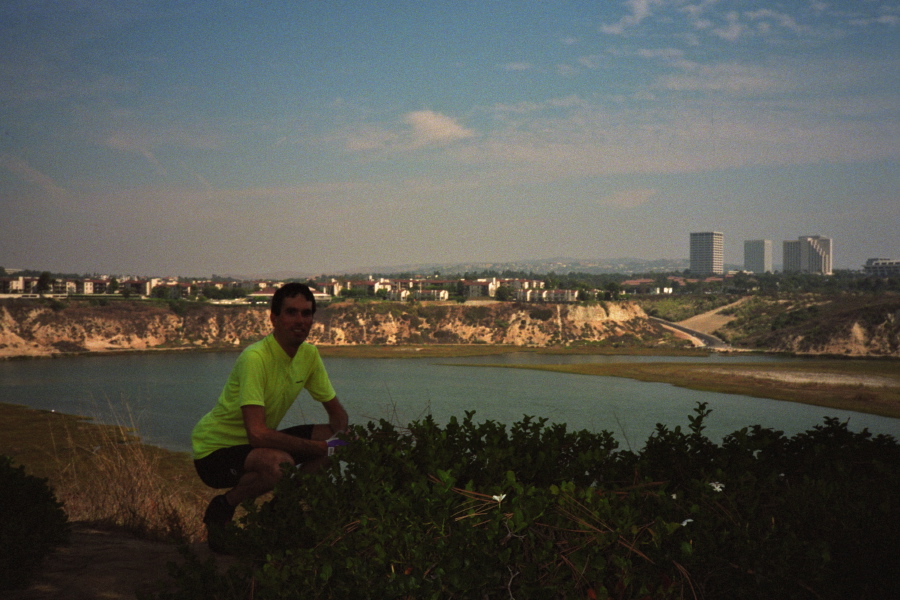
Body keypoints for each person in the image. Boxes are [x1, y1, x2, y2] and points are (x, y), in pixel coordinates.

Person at [191, 282, 349, 552]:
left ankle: (279, 511)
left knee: (330, 446)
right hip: (215, 450)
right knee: (281, 464)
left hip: (255, 446)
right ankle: (224, 506)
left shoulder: (309, 355)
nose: (300, 320)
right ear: (274, 318)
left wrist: (341, 440)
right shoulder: (255, 358)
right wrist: (319, 448)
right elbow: (257, 434)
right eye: (291, 312)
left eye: (306, 313)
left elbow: (337, 416)